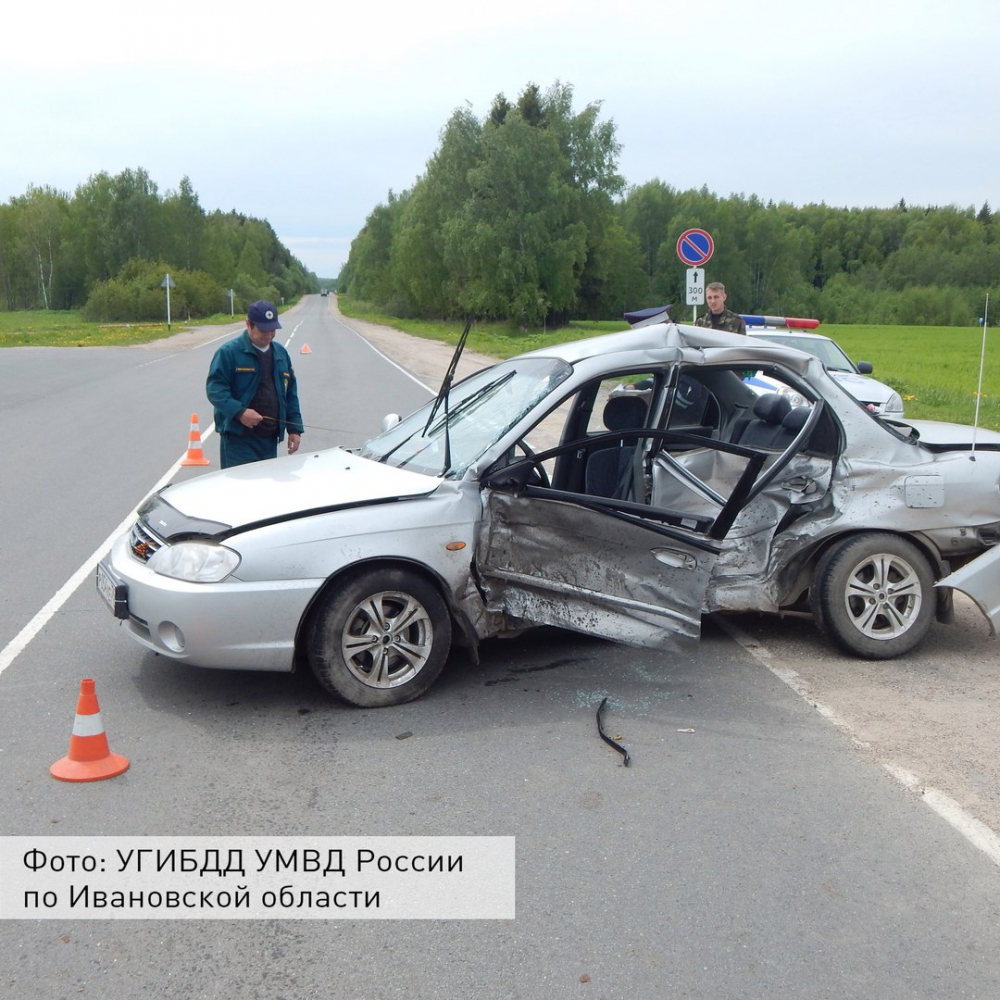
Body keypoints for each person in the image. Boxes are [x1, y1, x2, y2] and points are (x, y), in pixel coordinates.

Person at [206, 300, 304, 468]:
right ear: (248, 324)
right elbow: (215, 389)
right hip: (238, 441)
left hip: (270, 440)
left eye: (273, 329)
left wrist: (294, 429)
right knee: (241, 490)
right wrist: (240, 412)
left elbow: (290, 393)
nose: (269, 334)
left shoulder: (281, 353)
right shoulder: (228, 353)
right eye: (263, 330)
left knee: (265, 491)